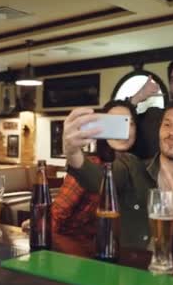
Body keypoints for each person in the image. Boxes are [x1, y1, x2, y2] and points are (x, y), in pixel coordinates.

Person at [64, 101, 173, 258]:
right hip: (124, 275)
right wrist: (73, 153)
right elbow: (98, 181)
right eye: (167, 125)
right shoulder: (131, 166)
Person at [50, 100, 139, 239]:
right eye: (115, 124)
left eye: (130, 123)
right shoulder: (90, 164)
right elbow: (58, 213)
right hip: (74, 246)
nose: (124, 130)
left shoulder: (137, 167)